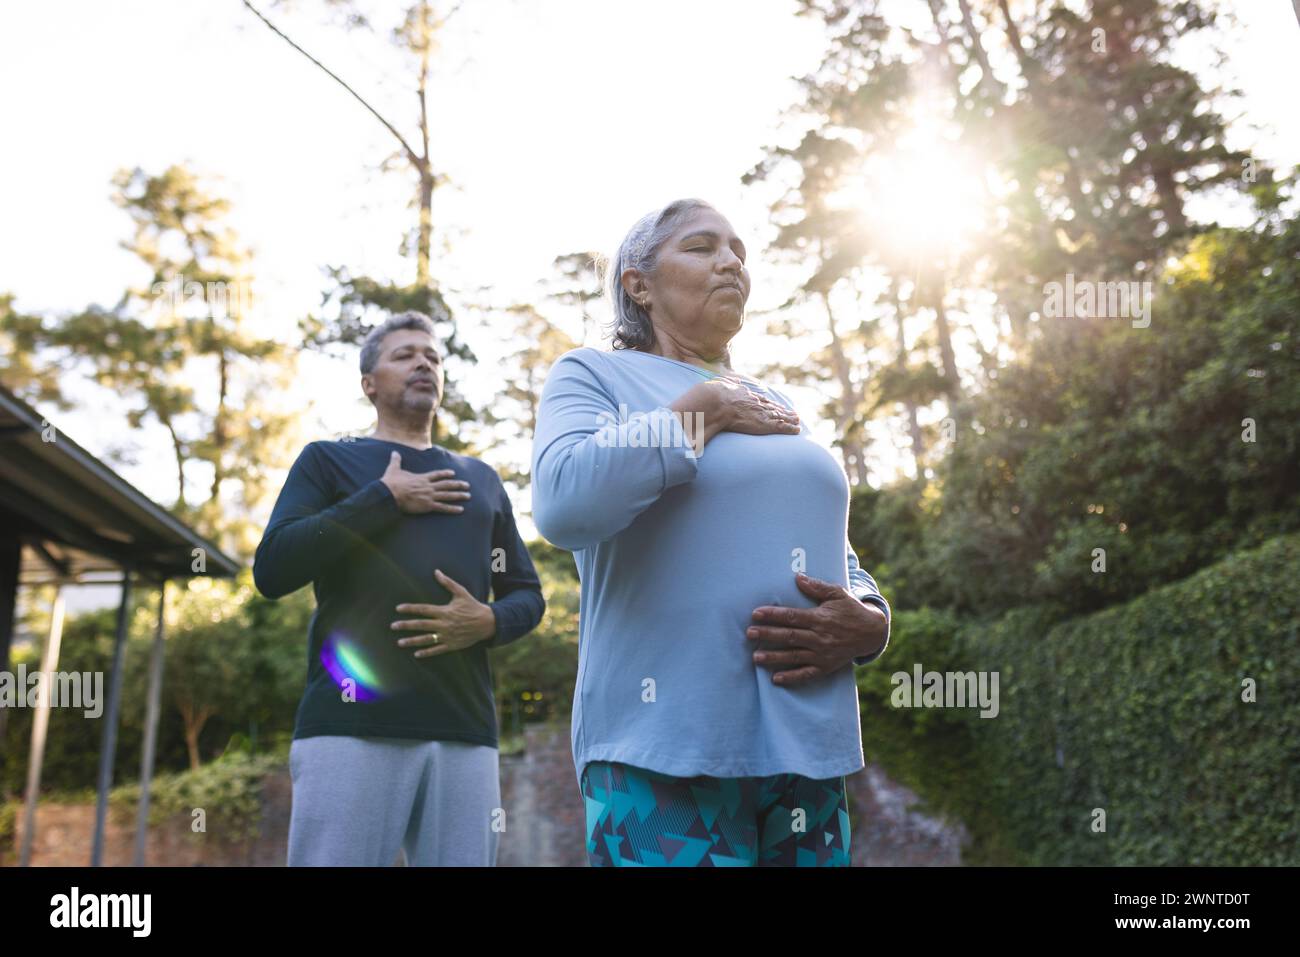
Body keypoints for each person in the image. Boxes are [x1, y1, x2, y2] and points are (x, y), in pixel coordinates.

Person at [530, 199, 891, 867]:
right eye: (702, 246)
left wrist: (870, 617)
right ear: (637, 282)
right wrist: (702, 411)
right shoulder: (593, 375)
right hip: (664, 742)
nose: (731, 261)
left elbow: (832, 547)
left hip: (806, 747)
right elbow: (562, 502)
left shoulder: (774, 405)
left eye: (739, 251)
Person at [253, 310, 545, 866]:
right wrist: (383, 499)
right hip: (350, 725)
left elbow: (527, 596)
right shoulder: (328, 460)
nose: (424, 364)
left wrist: (487, 621)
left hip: (463, 732)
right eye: (405, 354)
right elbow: (272, 569)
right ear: (369, 383)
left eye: (433, 357)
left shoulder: (480, 479)